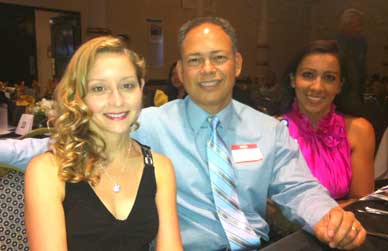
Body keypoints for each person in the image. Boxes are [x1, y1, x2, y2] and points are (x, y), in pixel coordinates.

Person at [1, 17, 366, 251]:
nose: (207, 70)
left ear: (237, 63)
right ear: (181, 69)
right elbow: (66, 144)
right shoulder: (146, 123)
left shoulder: (270, 131)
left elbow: (298, 187)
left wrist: (328, 217)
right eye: (194, 60)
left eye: (218, 58)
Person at [23, 36, 182, 251]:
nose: (117, 100)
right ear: (78, 95)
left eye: (127, 85)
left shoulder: (160, 168)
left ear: (141, 87)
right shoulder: (47, 171)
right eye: (99, 88)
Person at [277, 40, 375, 207]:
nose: (317, 87)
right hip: (285, 232)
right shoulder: (271, 130)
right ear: (293, 79)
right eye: (308, 75)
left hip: (344, 228)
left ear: (340, 85)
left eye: (329, 78)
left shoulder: (358, 131)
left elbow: (361, 203)